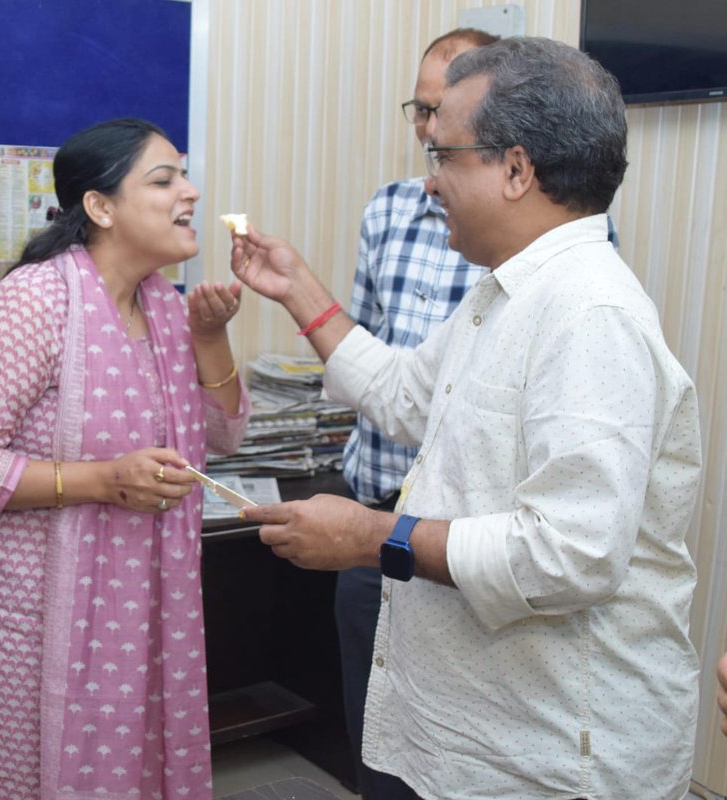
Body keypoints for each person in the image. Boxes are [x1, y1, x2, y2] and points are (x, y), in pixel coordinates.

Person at [231, 38, 701, 799]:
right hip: (479, 728)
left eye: (444, 154)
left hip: (551, 755)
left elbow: (571, 553)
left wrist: (367, 535)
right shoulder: (505, 293)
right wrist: (300, 294)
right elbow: (402, 393)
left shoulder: (589, 313)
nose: (426, 183)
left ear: (516, 169)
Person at [0, 117, 250, 799]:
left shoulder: (164, 305)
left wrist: (210, 337)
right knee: (18, 777)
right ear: (99, 207)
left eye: (184, 174)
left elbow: (224, 438)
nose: (189, 192)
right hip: (30, 617)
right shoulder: (28, 305)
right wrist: (103, 480)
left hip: (142, 608)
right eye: (164, 180)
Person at [331, 27, 495, 799]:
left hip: (462, 545)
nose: (427, 131)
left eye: (443, 113)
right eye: (419, 110)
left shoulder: (537, 256)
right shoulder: (389, 211)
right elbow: (381, 373)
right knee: (376, 746)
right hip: (373, 517)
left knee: (446, 755)